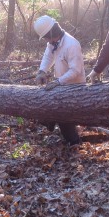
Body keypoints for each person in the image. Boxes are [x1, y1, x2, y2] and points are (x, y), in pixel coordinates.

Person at [33, 15, 85, 145]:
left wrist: (58, 82)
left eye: (45, 37)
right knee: (47, 103)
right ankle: (49, 123)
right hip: (61, 84)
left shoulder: (71, 44)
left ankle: (74, 143)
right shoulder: (53, 43)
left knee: (63, 117)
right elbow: (48, 57)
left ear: (51, 33)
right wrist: (42, 71)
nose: (45, 40)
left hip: (75, 86)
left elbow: (75, 70)